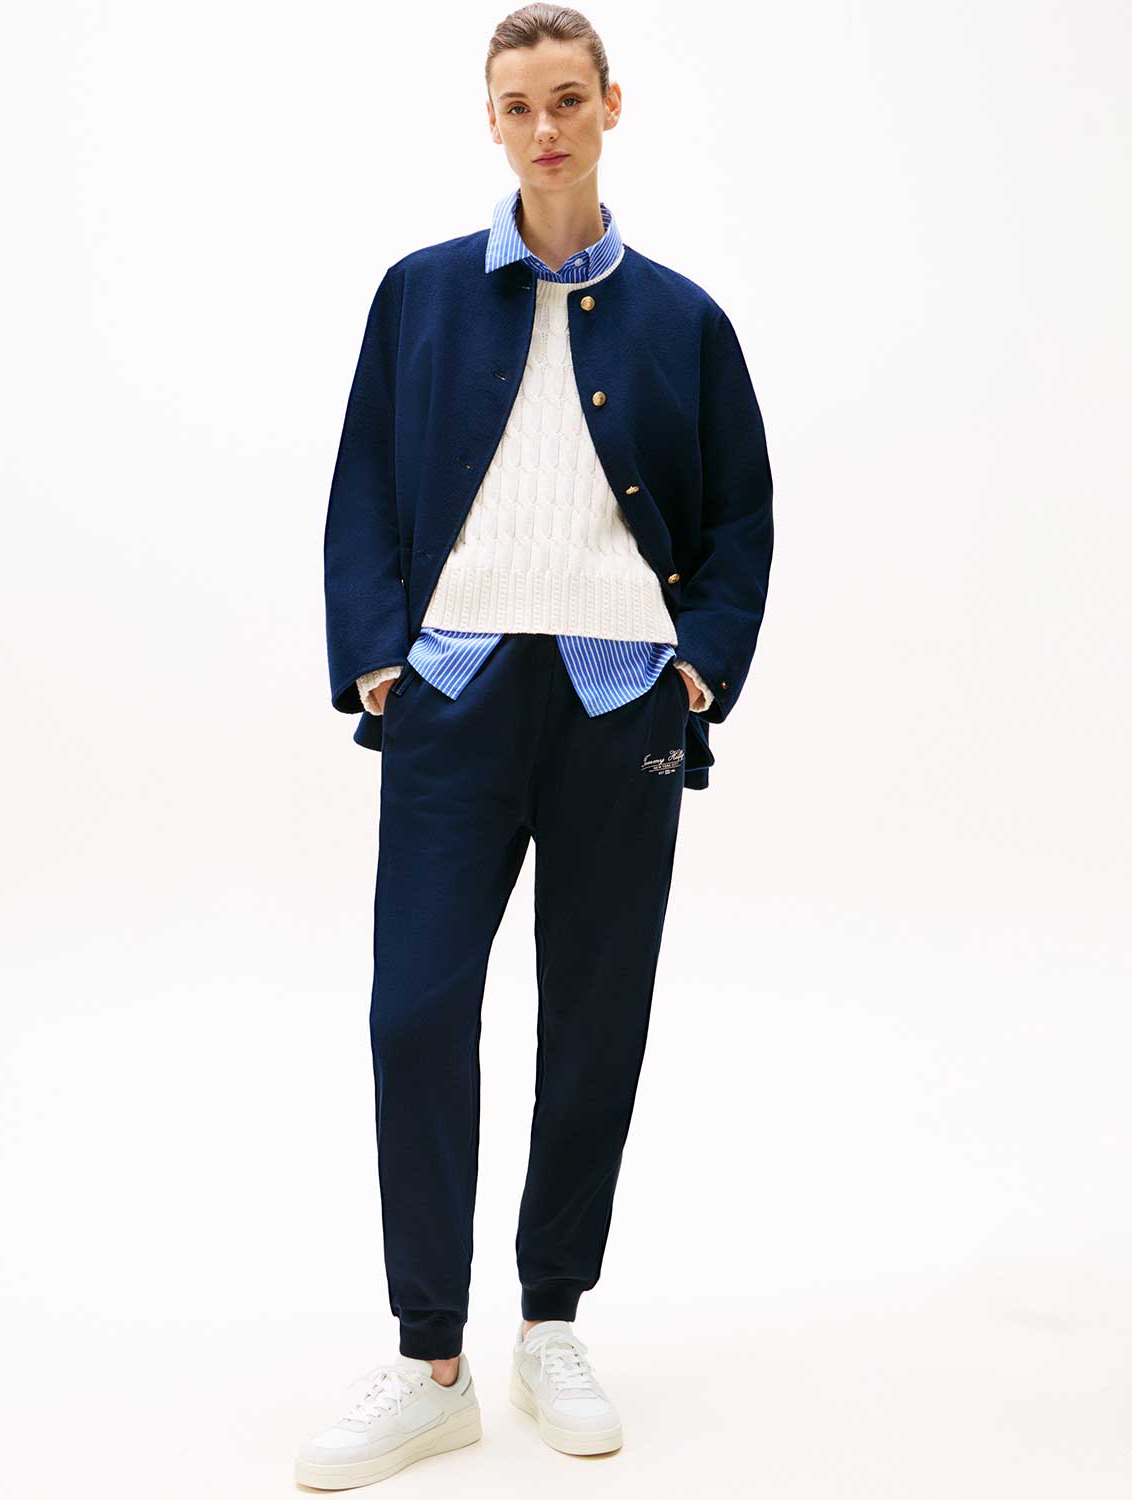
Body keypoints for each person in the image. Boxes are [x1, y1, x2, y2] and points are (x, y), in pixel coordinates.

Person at [297, 4, 773, 1488]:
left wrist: (697, 672)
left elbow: (742, 517)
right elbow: (363, 485)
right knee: (416, 1015)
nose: (545, 128)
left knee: (595, 1020)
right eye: (520, 105)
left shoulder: (685, 320)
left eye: (569, 99)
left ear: (612, 108)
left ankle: (551, 1321)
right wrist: (381, 662)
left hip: (620, 701)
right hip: (454, 694)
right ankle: (428, 1359)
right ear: (491, 119)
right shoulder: (421, 293)